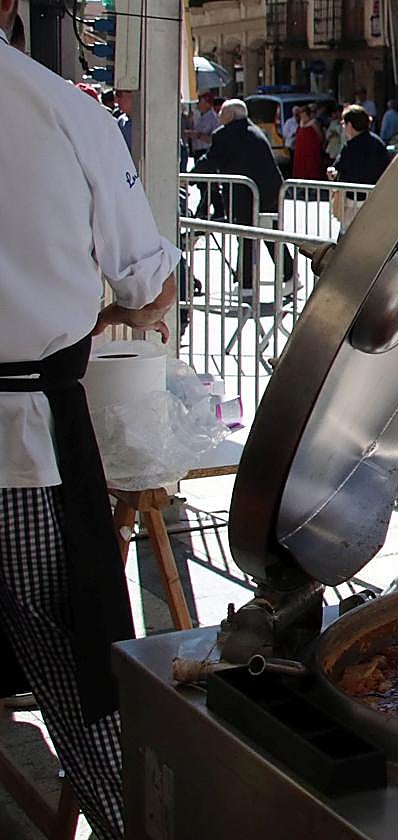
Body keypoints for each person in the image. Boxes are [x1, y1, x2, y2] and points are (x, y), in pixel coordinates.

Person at [0, 5, 181, 837]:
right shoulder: (64, 109)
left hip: (28, 426)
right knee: (81, 683)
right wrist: (100, 307)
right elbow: (150, 287)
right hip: (24, 454)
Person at [192, 98, 294, 294]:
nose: (219, 116)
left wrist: (190, 176)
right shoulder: (252, 130)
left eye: (222, 112)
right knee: (270, 235)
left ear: (231, 115)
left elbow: (211, 160)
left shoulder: (225, 134)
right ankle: (288, 276)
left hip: (249, 194)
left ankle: (247, 284)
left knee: (247, 236)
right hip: (269, 191)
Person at [328, 104, 390, 229]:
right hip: (376, 198)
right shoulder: (378, 143)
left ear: (350, 125)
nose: (344, 127)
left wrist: (334, 175)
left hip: (355, 200)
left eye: (344, 124)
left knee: (348, 237)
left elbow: (345, 170)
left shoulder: (351, 147)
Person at [186, 92, 223, 217]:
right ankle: (205, 210)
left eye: (200, 101)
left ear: (207, 103)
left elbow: (215, 138)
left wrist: (198, 136)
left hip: (207, 152)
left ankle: (212, 210)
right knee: (203, 185)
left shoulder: (213, 118)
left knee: (210, 184)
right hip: (197, 151)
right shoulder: (198, 116)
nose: (198, 104)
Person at [290, 104, 325, 181]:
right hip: (302, 152)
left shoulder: (314, 123)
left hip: (311, 152)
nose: (301, 116)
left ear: (306, 113)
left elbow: (320, 136)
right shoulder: (301, 124)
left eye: (302, 114)